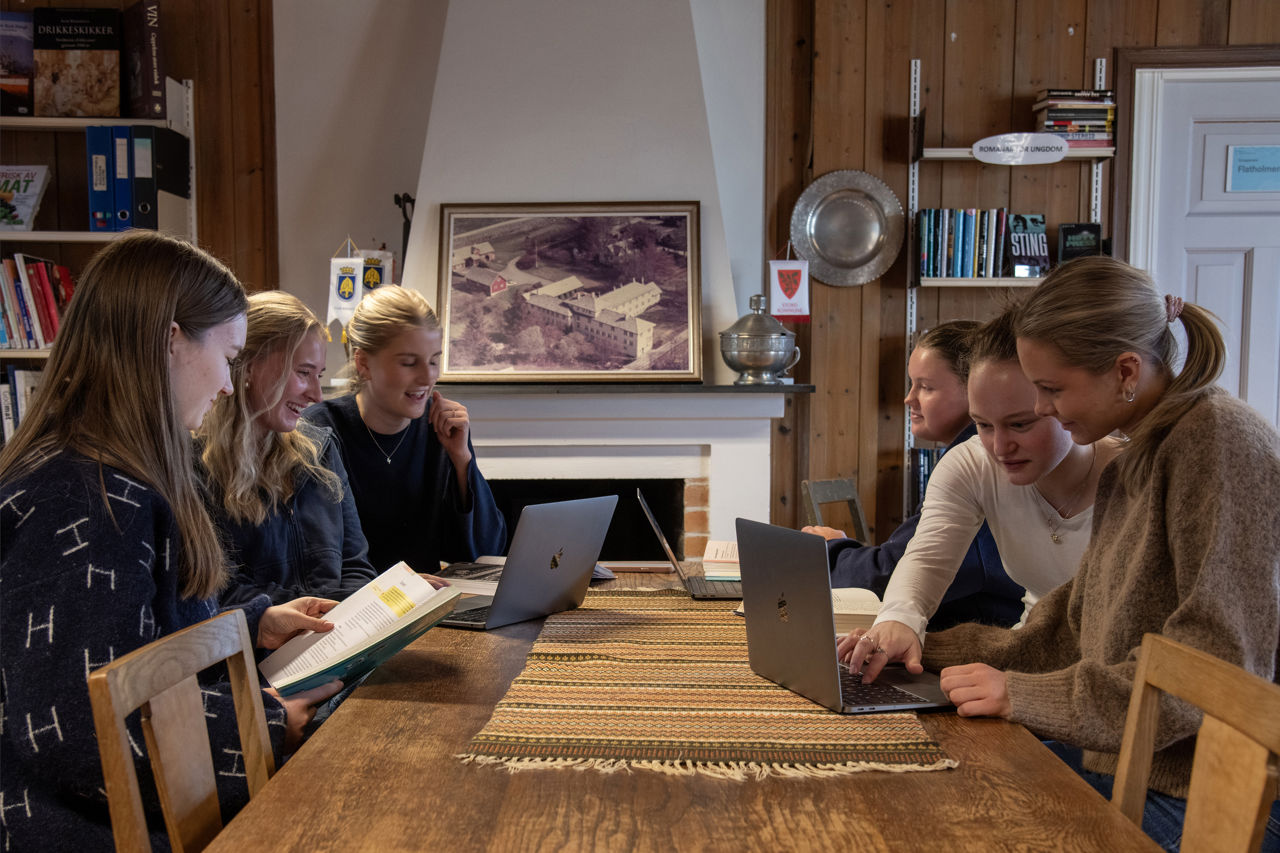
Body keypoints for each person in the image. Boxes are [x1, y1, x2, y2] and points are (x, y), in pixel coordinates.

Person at [894, 257, 1280, 852]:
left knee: (956, 819)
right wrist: (925, 652)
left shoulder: (1217, 443)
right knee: (932, 788)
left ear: (1125, 370)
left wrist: (1024, 695)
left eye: (1050, 389)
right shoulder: (1137, 458)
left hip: (1219, 795)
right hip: (1140, 763)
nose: (1044, 407)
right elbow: (1074, 627)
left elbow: (1213, 670)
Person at [0, 232, 343, 851]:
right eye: (231, 356)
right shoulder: (85, 498)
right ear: (170, 341)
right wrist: (267, 727)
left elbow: (132, 641)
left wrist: (257, 623)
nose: (226, 385)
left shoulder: (104, 475)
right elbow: (80, 733)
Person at [838, 307, 1124, 668]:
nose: (999, 448)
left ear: (1066, 402)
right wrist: (897, 620)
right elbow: (927, 559)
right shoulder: (971, 463)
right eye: (983, 425)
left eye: (1020, 424)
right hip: (1028, 659)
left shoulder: (1135, 476)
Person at [803, 320, 1024, 630]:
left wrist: (825, 552)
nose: (909, 399)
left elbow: (891, 575)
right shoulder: (962, 460)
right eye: (912, 384)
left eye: (926, 387)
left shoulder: (986, 465)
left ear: (976, 389)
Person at [304, 285, 506, 574]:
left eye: (434, 361)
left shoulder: (441, 430)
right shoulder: (319, 430)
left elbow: (486, 553)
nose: (428, 377)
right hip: (350, 609)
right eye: (409, 363)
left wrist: (462, 462)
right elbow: (321, 564)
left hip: (430, 606)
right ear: (363, 363)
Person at [201, 291, 379, 606]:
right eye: (303, 373)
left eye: (319, 375)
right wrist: (315, 613)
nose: (316, 395)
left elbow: (355, 566)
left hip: (334, 639)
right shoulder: (197, 462)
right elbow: (219, 592)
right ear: (249, 365)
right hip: (257, 650)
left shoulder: (320, 449)